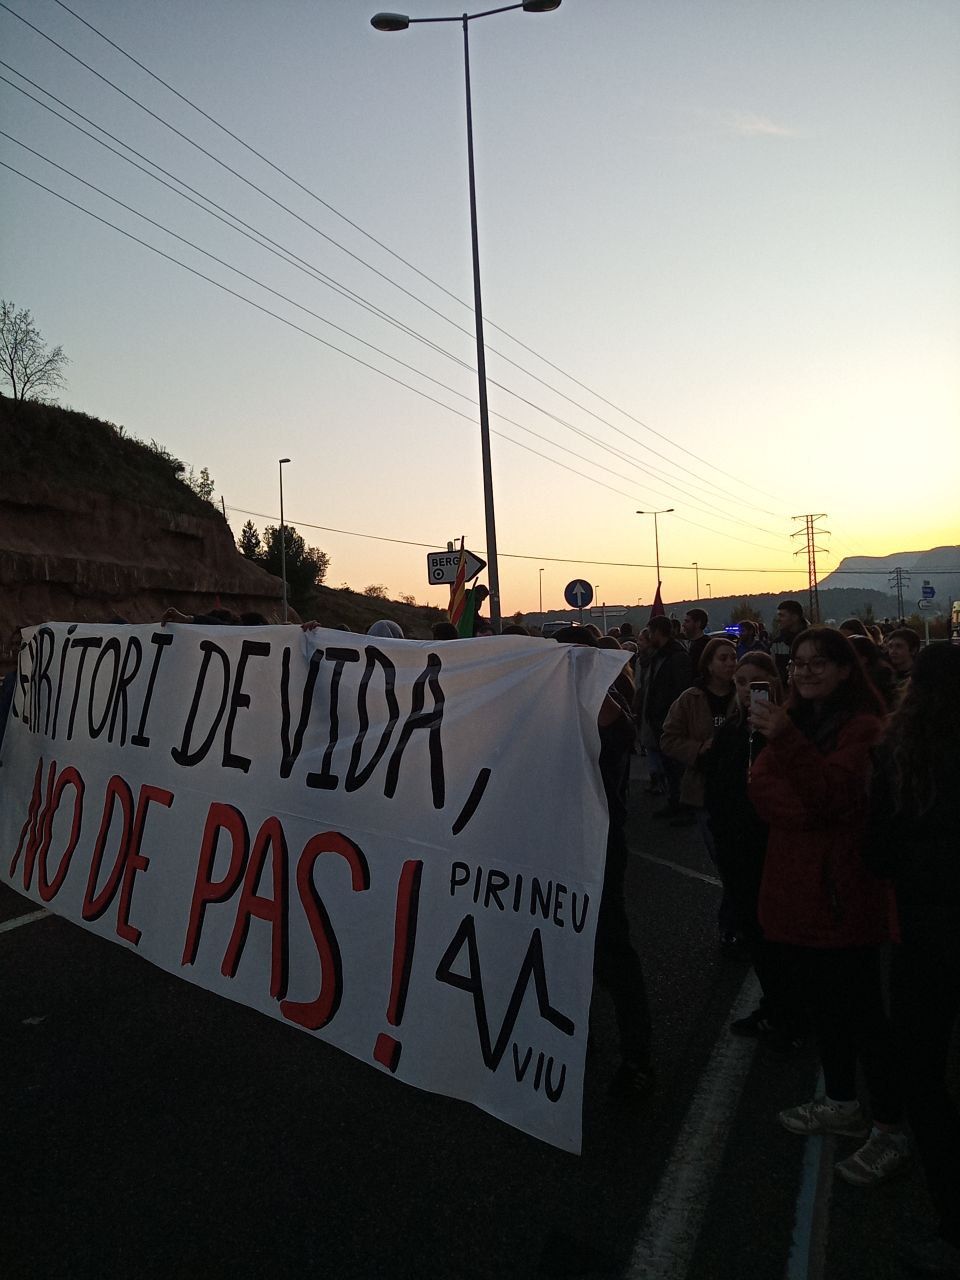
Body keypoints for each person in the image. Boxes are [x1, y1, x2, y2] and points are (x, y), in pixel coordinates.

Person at [749, 627, 907, 1186]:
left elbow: (834, 798)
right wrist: (803, 799)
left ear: (846, 670)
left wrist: (790, 749)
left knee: (865, 1016)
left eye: (820, 663)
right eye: (799, 663)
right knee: (826, 1011)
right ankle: (841, 1102)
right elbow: (761, 786)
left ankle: (890, 1127)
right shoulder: (799, 721)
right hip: (795, 890)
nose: (806, 671)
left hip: (841, 897)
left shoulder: (863, 728)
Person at [865, 644, 960, 1275]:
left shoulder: (899, 757)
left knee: (925, 1075)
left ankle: (953, 1225)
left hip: (928, 934)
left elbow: (878, 854)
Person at [552, 626, 653, 1100]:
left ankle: (638, 1059)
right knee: (560, 944)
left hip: (598, 846)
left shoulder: (613, 708)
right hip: (552, 843)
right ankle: (572, 1032)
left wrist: (579, 671)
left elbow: (614, 731)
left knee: (612, 951)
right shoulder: (549, 709)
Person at [702, 653, 806, 1049]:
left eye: (757, 683)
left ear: (776, 684)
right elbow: (718, 785)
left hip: (773, 847)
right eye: (741, 682)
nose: (747, 690)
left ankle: (791, 1015)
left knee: (781, 936)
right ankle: (774, 1004)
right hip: (736, 848)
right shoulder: (732, 731)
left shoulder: (788, 730)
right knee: (756, 934)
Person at [640, 615, 693, 820]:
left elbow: (680, 689)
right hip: (659, 719)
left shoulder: (677, 657)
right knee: (669, 768)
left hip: (670, 720)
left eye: (651, 632)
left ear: (658, 632)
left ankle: (684, 807)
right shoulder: (659, 655)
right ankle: (674, 803)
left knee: (677, 767)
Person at [769, 600, 810, 684]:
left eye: (782, 615)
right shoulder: (776, 644)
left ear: (795, 617)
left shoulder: (811, 642)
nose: (778, 619)